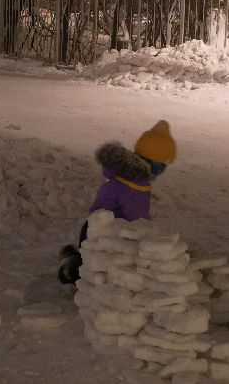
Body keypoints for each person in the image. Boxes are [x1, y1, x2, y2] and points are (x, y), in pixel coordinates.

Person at [57, 120, 177, 284]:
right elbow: (137, 219)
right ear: (155, 162)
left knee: (92, 261)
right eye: (163, 163)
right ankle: (71, 268)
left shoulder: (126, 174)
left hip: (94, 229)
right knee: (97, 272)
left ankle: (72, 256)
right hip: (105, 235)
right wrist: (151, 239)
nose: (164, 168)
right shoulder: (135, 184)